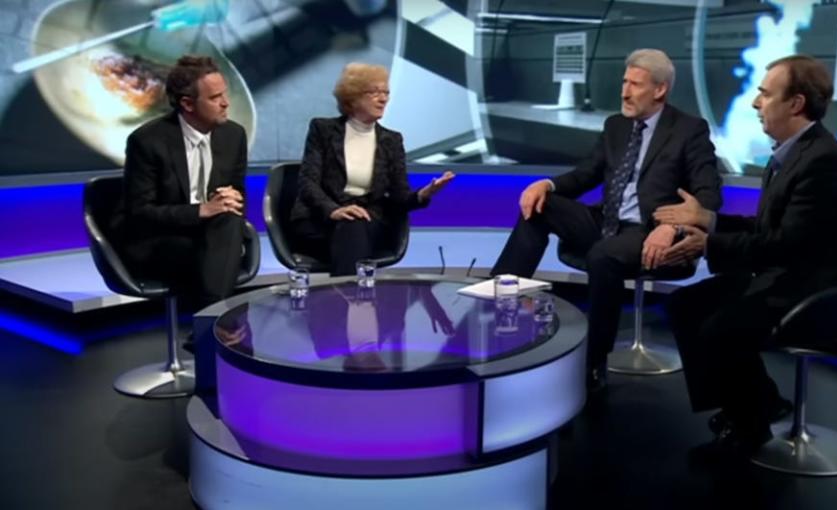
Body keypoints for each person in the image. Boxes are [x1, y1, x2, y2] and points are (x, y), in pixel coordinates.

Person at [653, 55, 837, 457]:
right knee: (686, 304)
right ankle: (755, 404)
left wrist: (708, 244)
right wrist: (709, 221)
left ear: (795, 104)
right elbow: (771, 231)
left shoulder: (825, 162)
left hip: (822, 290)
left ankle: (749, 430)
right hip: (790, 272)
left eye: (765, 94)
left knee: (722, 326)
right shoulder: (792, 153)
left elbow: (787, 245)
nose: (756, 103)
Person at [490, 49, 723, 390]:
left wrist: (671, 227)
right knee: (539, 206)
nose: (624, 92)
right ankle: (500, 303)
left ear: (659, 90)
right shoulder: (616, 125)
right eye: (624, 82)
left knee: (604, 255)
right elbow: (587, 174)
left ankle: (592, 363)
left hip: (649, 229)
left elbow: (709, 196)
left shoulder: (689, 130)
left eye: (635, 84)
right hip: (607, 221)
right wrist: (547, 184)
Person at [289, 63, 455, 276]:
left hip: (368, 223)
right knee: (351, 225)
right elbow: (307, 182)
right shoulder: (323, 129)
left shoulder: (392, 140)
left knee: (354, 225)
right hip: (320, 222)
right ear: (353, 97)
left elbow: (398, 199)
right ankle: (356, 301)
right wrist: (334, 210)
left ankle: (345, 303)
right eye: (374, 92)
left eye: (386, 92)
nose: (383, 99)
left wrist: (423, 195)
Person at [122, 54, 248, 301]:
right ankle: (218, 324)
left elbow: (239, 196)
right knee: (218, 249)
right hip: (162, 240)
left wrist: (231, 199)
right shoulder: (147, 141)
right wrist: (201, 210)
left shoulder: (234, 135)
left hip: (216, 233)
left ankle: (212, 327)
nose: (225, 103)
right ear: (188, 104)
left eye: (224, 94)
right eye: (215, 98)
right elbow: (139, 213)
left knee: (229, 224)